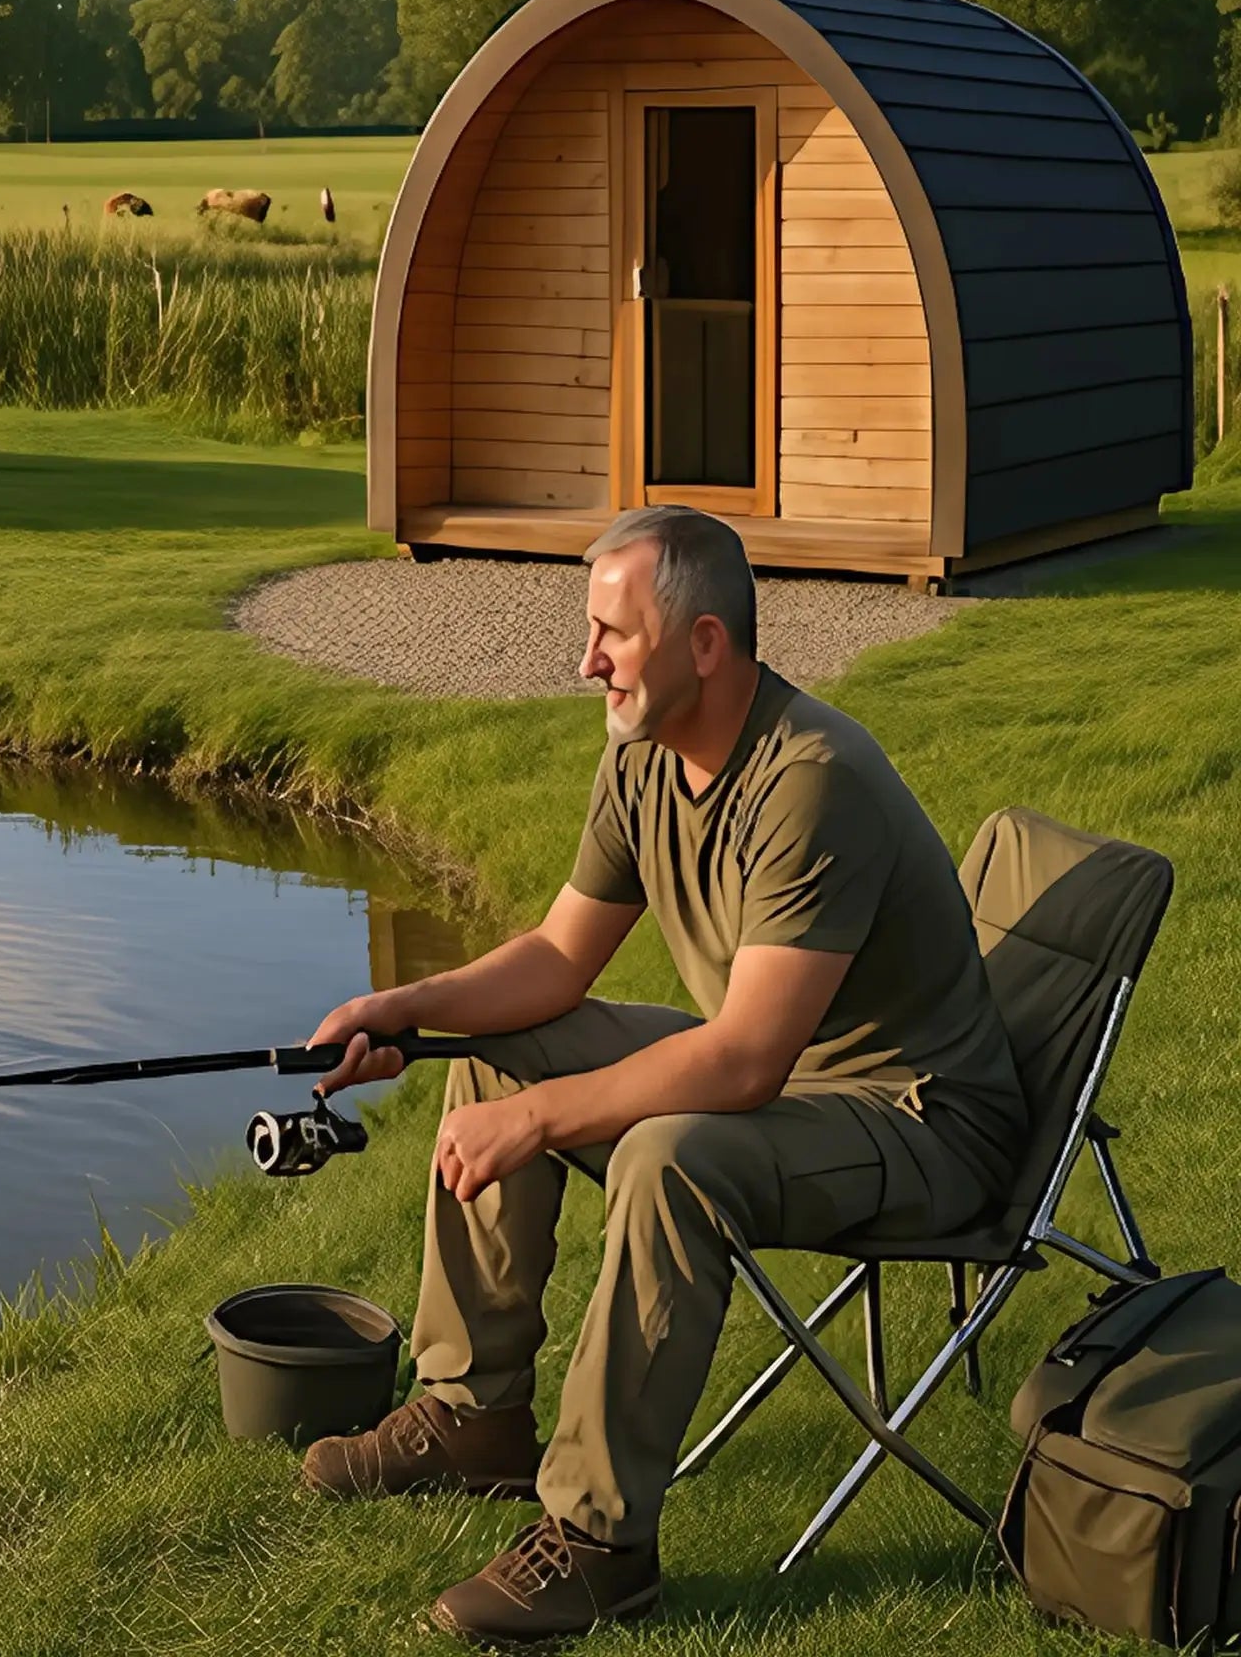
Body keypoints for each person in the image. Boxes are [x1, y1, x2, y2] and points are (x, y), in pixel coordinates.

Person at [300, 506, 1026, 1645]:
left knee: (666, 1152)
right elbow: (553, 959)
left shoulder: (809, 780)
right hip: (793, 1082)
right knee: (503, 1050)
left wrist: (541, 1122)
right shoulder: (638, 752)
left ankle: (598, 1544)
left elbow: (739, 1060)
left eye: (611, 633)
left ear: (702, 642)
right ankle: (471, 1413)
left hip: (916, 1119)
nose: (584, 658)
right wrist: (404, 1007)